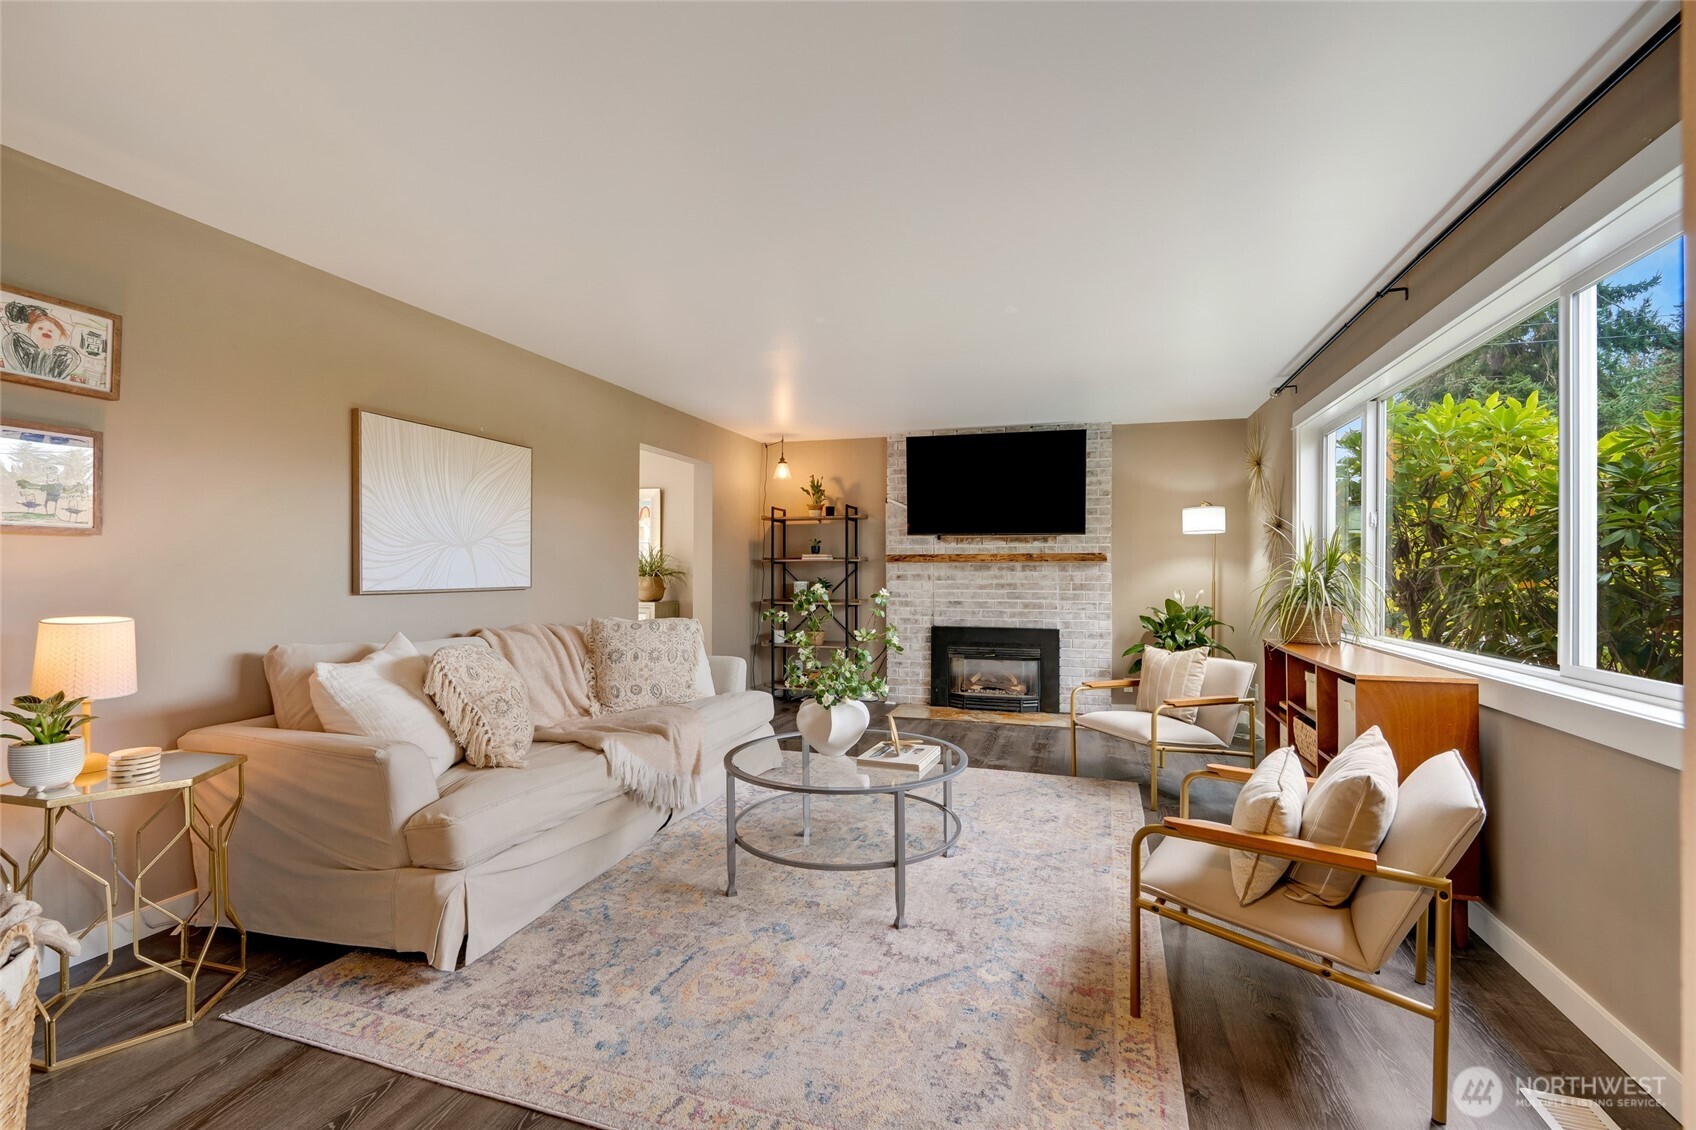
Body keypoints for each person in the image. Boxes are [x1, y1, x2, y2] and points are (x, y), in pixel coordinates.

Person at [3, 302, 83, 381]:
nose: (46, 331)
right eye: (40, 328)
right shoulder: (22, 349)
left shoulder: (66, 357)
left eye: (51, 330)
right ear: (31, 330)